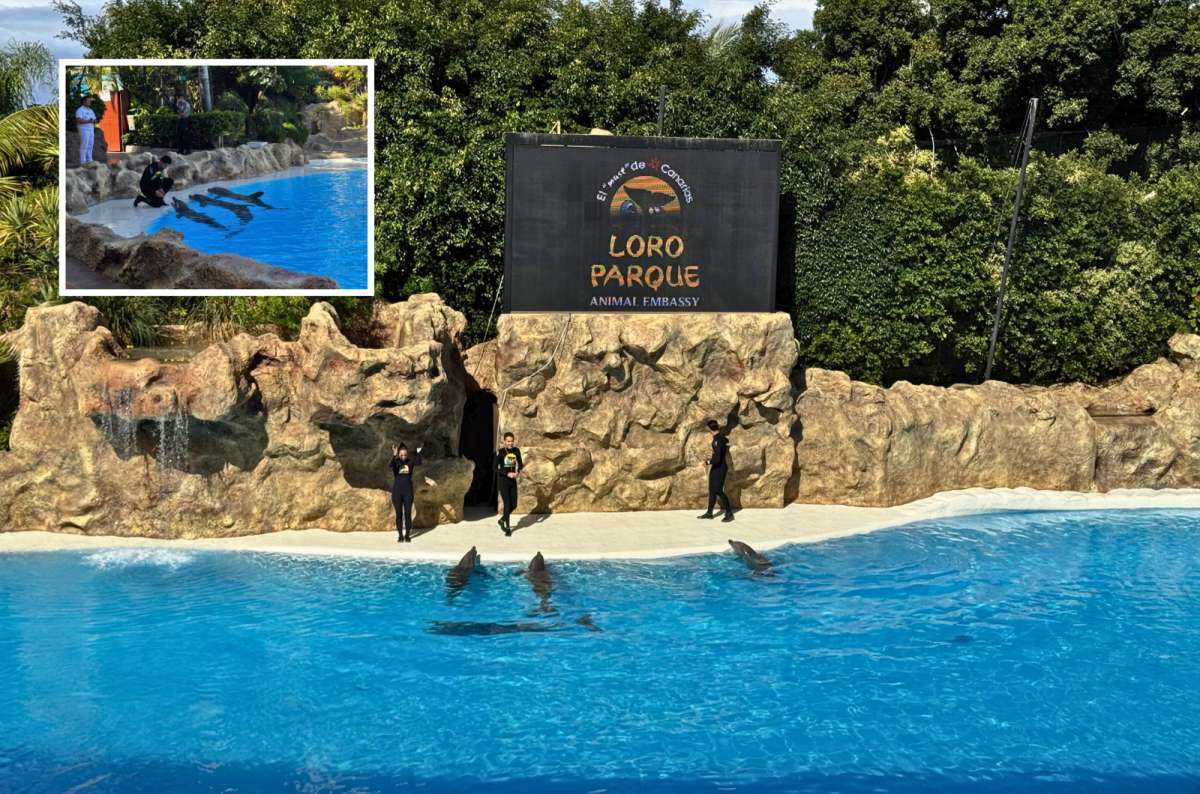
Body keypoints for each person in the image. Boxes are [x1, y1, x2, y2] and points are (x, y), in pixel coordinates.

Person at [698, 420, 734, 522]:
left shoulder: (719, 439)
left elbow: (717, 458)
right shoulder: (717, 438)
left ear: (710, 429)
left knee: (718, 490)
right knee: (712, 490)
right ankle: (709, 513)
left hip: (720, 468)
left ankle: (729, 513)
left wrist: (708, 462)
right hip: (716, 468)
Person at [390, 442, 424, 543]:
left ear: (407, 454)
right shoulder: (396, 462)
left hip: (408, 491)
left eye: (405, 454)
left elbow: (419, 462)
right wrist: (394, 455)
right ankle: (400, 535)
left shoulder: (410, 461)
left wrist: (418, 453)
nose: (403, 456)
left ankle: (407, 535)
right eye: (401, 454)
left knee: (408, 513)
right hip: (397, 492)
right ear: (399, 454)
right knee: (399, 514)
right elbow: (390, 465)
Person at [495, 432, 524, 536]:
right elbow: (495, 468)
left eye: (512, 441)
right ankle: (507, 528)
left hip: (513, 481)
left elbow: (520, 464)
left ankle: (502, 520)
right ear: (504, 441)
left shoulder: (516, 451)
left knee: (514, 504)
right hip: (503, 482)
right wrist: (507, 473)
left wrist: (517, 472)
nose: (510, 443)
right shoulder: (501, 452)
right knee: (507, 505)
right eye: (508, 441)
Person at [75, 96, 97, 166]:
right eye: (88, 100)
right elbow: (78, 120)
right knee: (84, 144)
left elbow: (94, 119)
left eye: (90, 101)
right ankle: (83, 161)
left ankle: (89, 159)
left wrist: (93, 121)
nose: (90, 102)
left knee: (90, 144)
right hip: (83, 129)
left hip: (91, 129)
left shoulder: (91, 110)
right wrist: (88, 121)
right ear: (84, 102)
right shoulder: (80, 110)